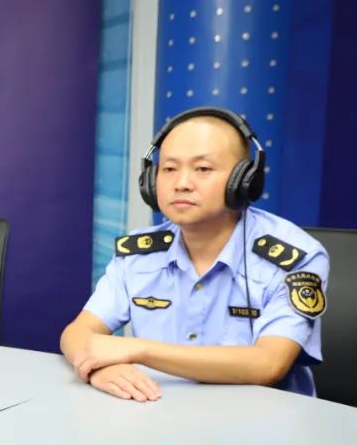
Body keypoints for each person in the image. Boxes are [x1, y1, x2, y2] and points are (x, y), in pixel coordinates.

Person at [60, 106, 328, 401]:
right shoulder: (138, 254)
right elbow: (78, 332)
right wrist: (97, 368)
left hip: (259, 418)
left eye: (202, 169)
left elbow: (269, 364)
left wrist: (139, 350)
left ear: (244, 180)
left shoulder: (297, 257)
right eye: (169, 169)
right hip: (157, 410)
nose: (182, 184)